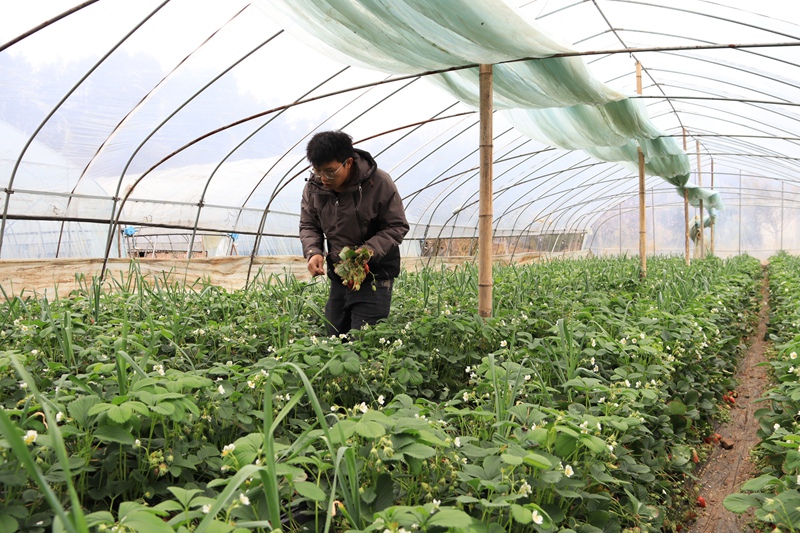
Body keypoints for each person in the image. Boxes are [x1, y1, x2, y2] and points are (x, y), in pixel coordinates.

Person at [300, 130, 409, 335]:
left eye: (329, 171)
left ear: (348, 162)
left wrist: (367, 251)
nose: (323, 178)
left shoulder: (378, 183)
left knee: (363, 340)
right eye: (317, 170)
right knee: (334, 335)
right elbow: (309, 225)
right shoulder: (314, 188)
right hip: (341, 275)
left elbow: (396, 226)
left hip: (375, 274)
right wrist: (314, 251)